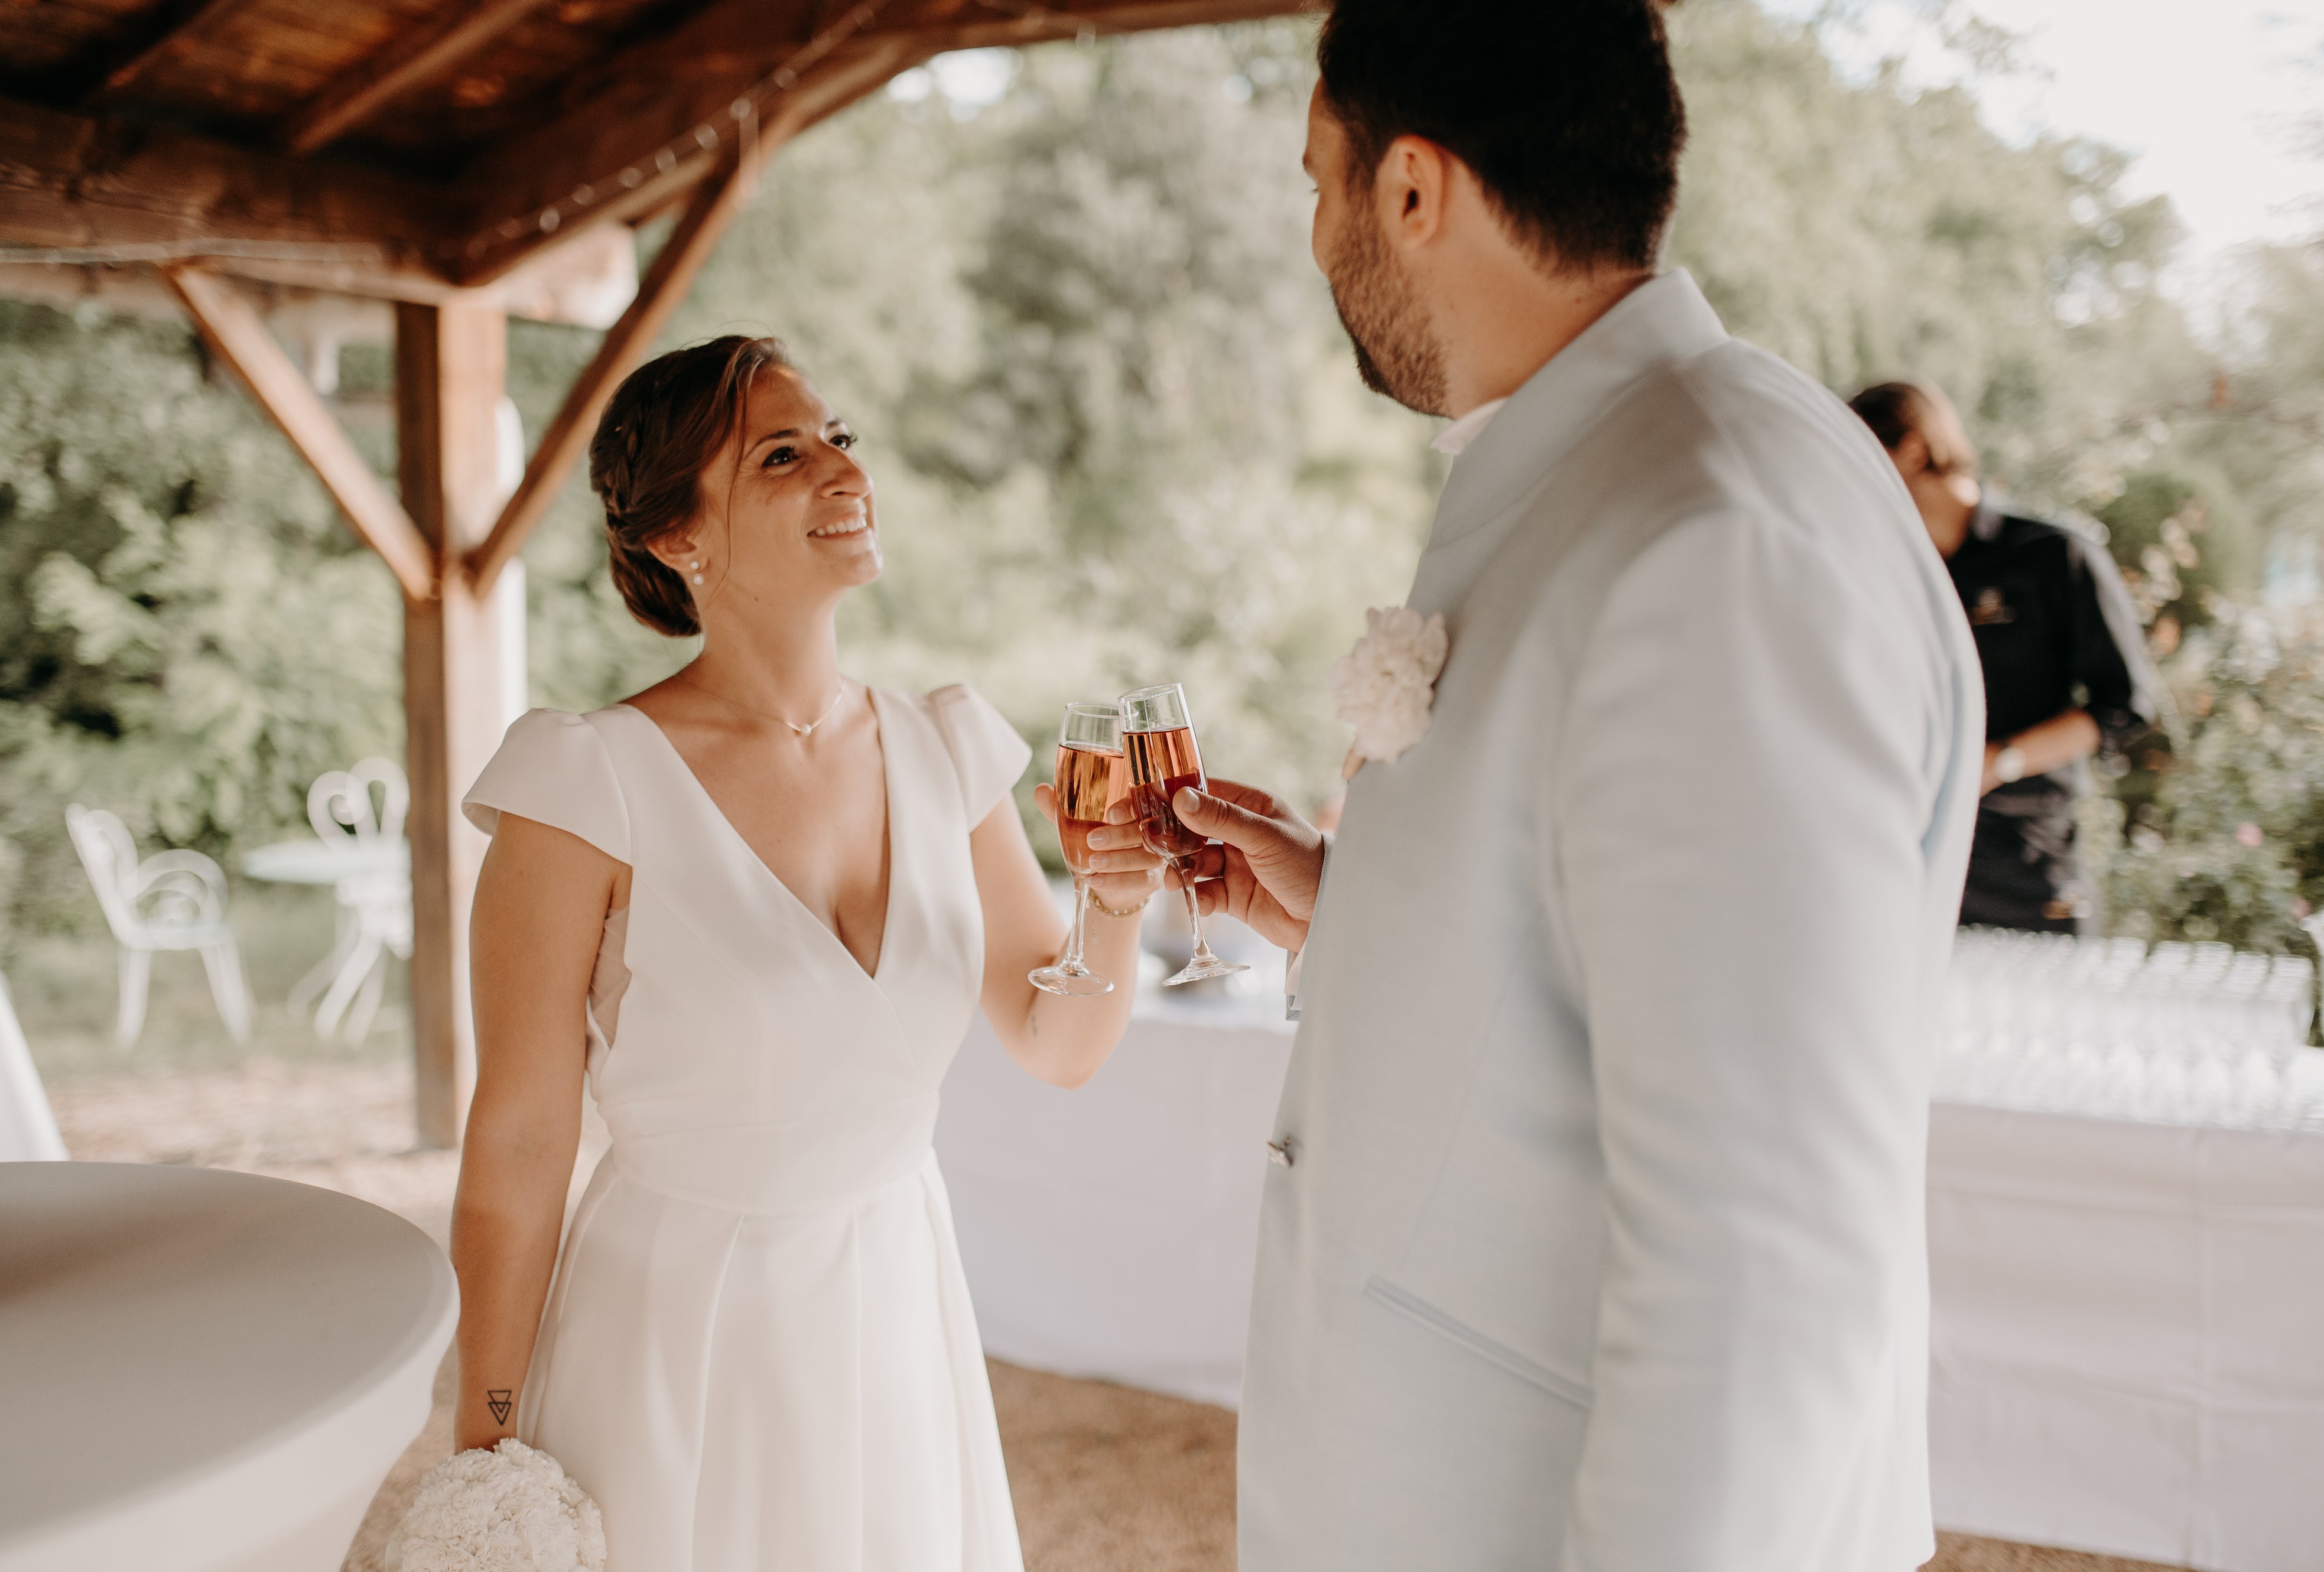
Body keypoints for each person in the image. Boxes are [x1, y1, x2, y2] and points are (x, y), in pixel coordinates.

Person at [1087, 4, 1983, 1567]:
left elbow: (1761, 1258)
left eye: (1320, 184)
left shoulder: (1716, 538)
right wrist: (1350, 908)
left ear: (1416, 191)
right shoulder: (1626, 462)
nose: (1316, 241)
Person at [447, 335, 1151, 1569]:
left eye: (841, 439)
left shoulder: (947, 751)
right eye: (784, 453)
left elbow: (1057, 1041)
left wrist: (1114, 906)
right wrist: (487, 1443)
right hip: (674, 1329)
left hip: (893, 1304)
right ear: (679, 537)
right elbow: (516, 1144)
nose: (842, 471)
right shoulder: (583, 783)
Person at [1851, 380, 2159, 932]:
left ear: (1914, 451)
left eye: (1862, 460)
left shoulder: (2053, 555)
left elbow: (2123, 706)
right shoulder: (1884, 571)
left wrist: (1997, 762)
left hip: (2028, 869)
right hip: (1905, 859)